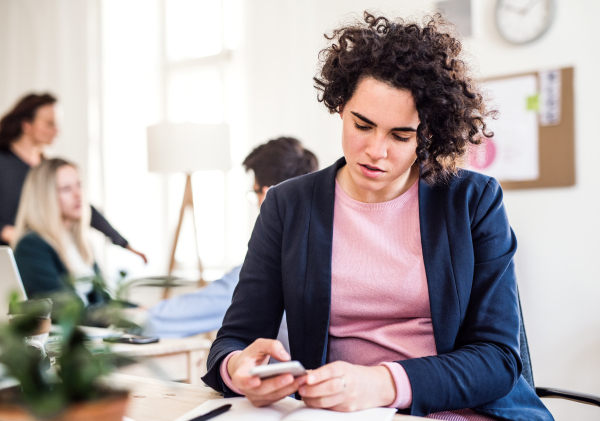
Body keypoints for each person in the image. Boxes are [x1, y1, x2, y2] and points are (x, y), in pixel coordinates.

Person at [201, 13, 552, 421]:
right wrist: (238, 368)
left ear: (429, 134)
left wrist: (383, 383)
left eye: (401, 136)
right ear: (340, 108)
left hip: (457, 411)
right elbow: (233, 341)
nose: (375, 150)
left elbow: (498, 359)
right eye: (362, 125)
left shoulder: (472, 200)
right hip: (336, 414)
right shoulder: (287, 205)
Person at [143, 137, 318, 344]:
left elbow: (171, 318)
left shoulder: (273, 264)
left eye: (255, 193)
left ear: (269, 195)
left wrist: (134, 317)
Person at [0, 93, 147, 262]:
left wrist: (122, 242)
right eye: (50, 124)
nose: (57, 130)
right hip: (7, 258)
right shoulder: (3, 162)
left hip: (42, 257)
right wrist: (6, 231)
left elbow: (80, 205)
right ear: (26, 125)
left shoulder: (46, 168)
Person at [11, 158, 135, 321]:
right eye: (66, 189)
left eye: (79, 185)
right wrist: (121, 317)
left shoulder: (80, 243)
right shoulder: (32, 245)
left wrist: (138, 309)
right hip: (66, 342)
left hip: (91, 334)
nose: (78, 194)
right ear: (44, 197)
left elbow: (102, 301)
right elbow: (62, 311)